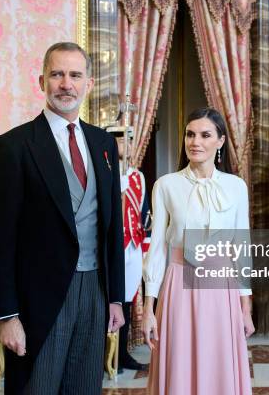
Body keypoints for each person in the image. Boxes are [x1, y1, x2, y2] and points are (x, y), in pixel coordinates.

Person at [0, 42, 125, 394]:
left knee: (84, 387)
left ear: (88, 83)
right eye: (57, 74)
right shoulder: (14, 147)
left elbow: (112, 227)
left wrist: (116, 297)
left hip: (94, 290)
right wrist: (6, 316)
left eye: (75, 75)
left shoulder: (104, 143)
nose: (66, 84)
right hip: (38, 301)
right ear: (42, 81)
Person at [142, 107, 254, 395]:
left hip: (222, 288)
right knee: (179, 363)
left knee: (218, 366)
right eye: (190, 134)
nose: (195, 142)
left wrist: (246, 307)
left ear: (220, 142)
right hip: (178, 285)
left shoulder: (236, 187)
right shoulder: (166, 185)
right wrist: (148, 307)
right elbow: (156, 249)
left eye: (205, 135)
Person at [105, 125, 149, 373]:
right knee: (112, 300)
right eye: (120, 140)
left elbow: (143, 214)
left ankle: (122, 354)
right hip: (112, 246)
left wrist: (145, 248)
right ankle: (106, 357)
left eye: (129, 140)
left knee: (128, 300)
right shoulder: (103, 172)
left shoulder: (138, 177)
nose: (126, 145)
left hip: (132, 245)